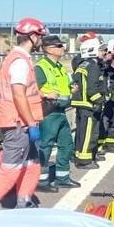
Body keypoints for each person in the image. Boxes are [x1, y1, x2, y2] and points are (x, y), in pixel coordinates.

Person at [0, 17, 48, 211]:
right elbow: (18, 94)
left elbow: (25, 91)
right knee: (11, 167)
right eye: (40, 36)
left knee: (32, 164)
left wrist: (43, 94)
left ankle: (24, 201)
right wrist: (31, 123)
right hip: (19, 124)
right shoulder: (19, 61)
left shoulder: (21, 59)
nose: (41, 40)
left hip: (22, 122)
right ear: (33, 36)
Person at [34, 34, 80, 191]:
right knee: (45, 147)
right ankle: (41, 181)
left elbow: (67, 84)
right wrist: (46, 94)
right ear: (48, 49)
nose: (63, 48)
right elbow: (34, 90)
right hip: (48, 113)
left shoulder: (60, 68)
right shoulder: (40, 68)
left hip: (61, 111)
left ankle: (62, 178)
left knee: (67, 145)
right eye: (59, 46)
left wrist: (72, 88)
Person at [71, 36, 107, 169]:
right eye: (101, 50)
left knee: (81, 132)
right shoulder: (93, 67)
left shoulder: (82, 65)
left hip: (81, 104)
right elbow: (92, 88)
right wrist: (99, 100)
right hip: (89, 105)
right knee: (88, 133)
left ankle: (80, 155)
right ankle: (84, 161)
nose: (103, 53)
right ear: (92, 51)